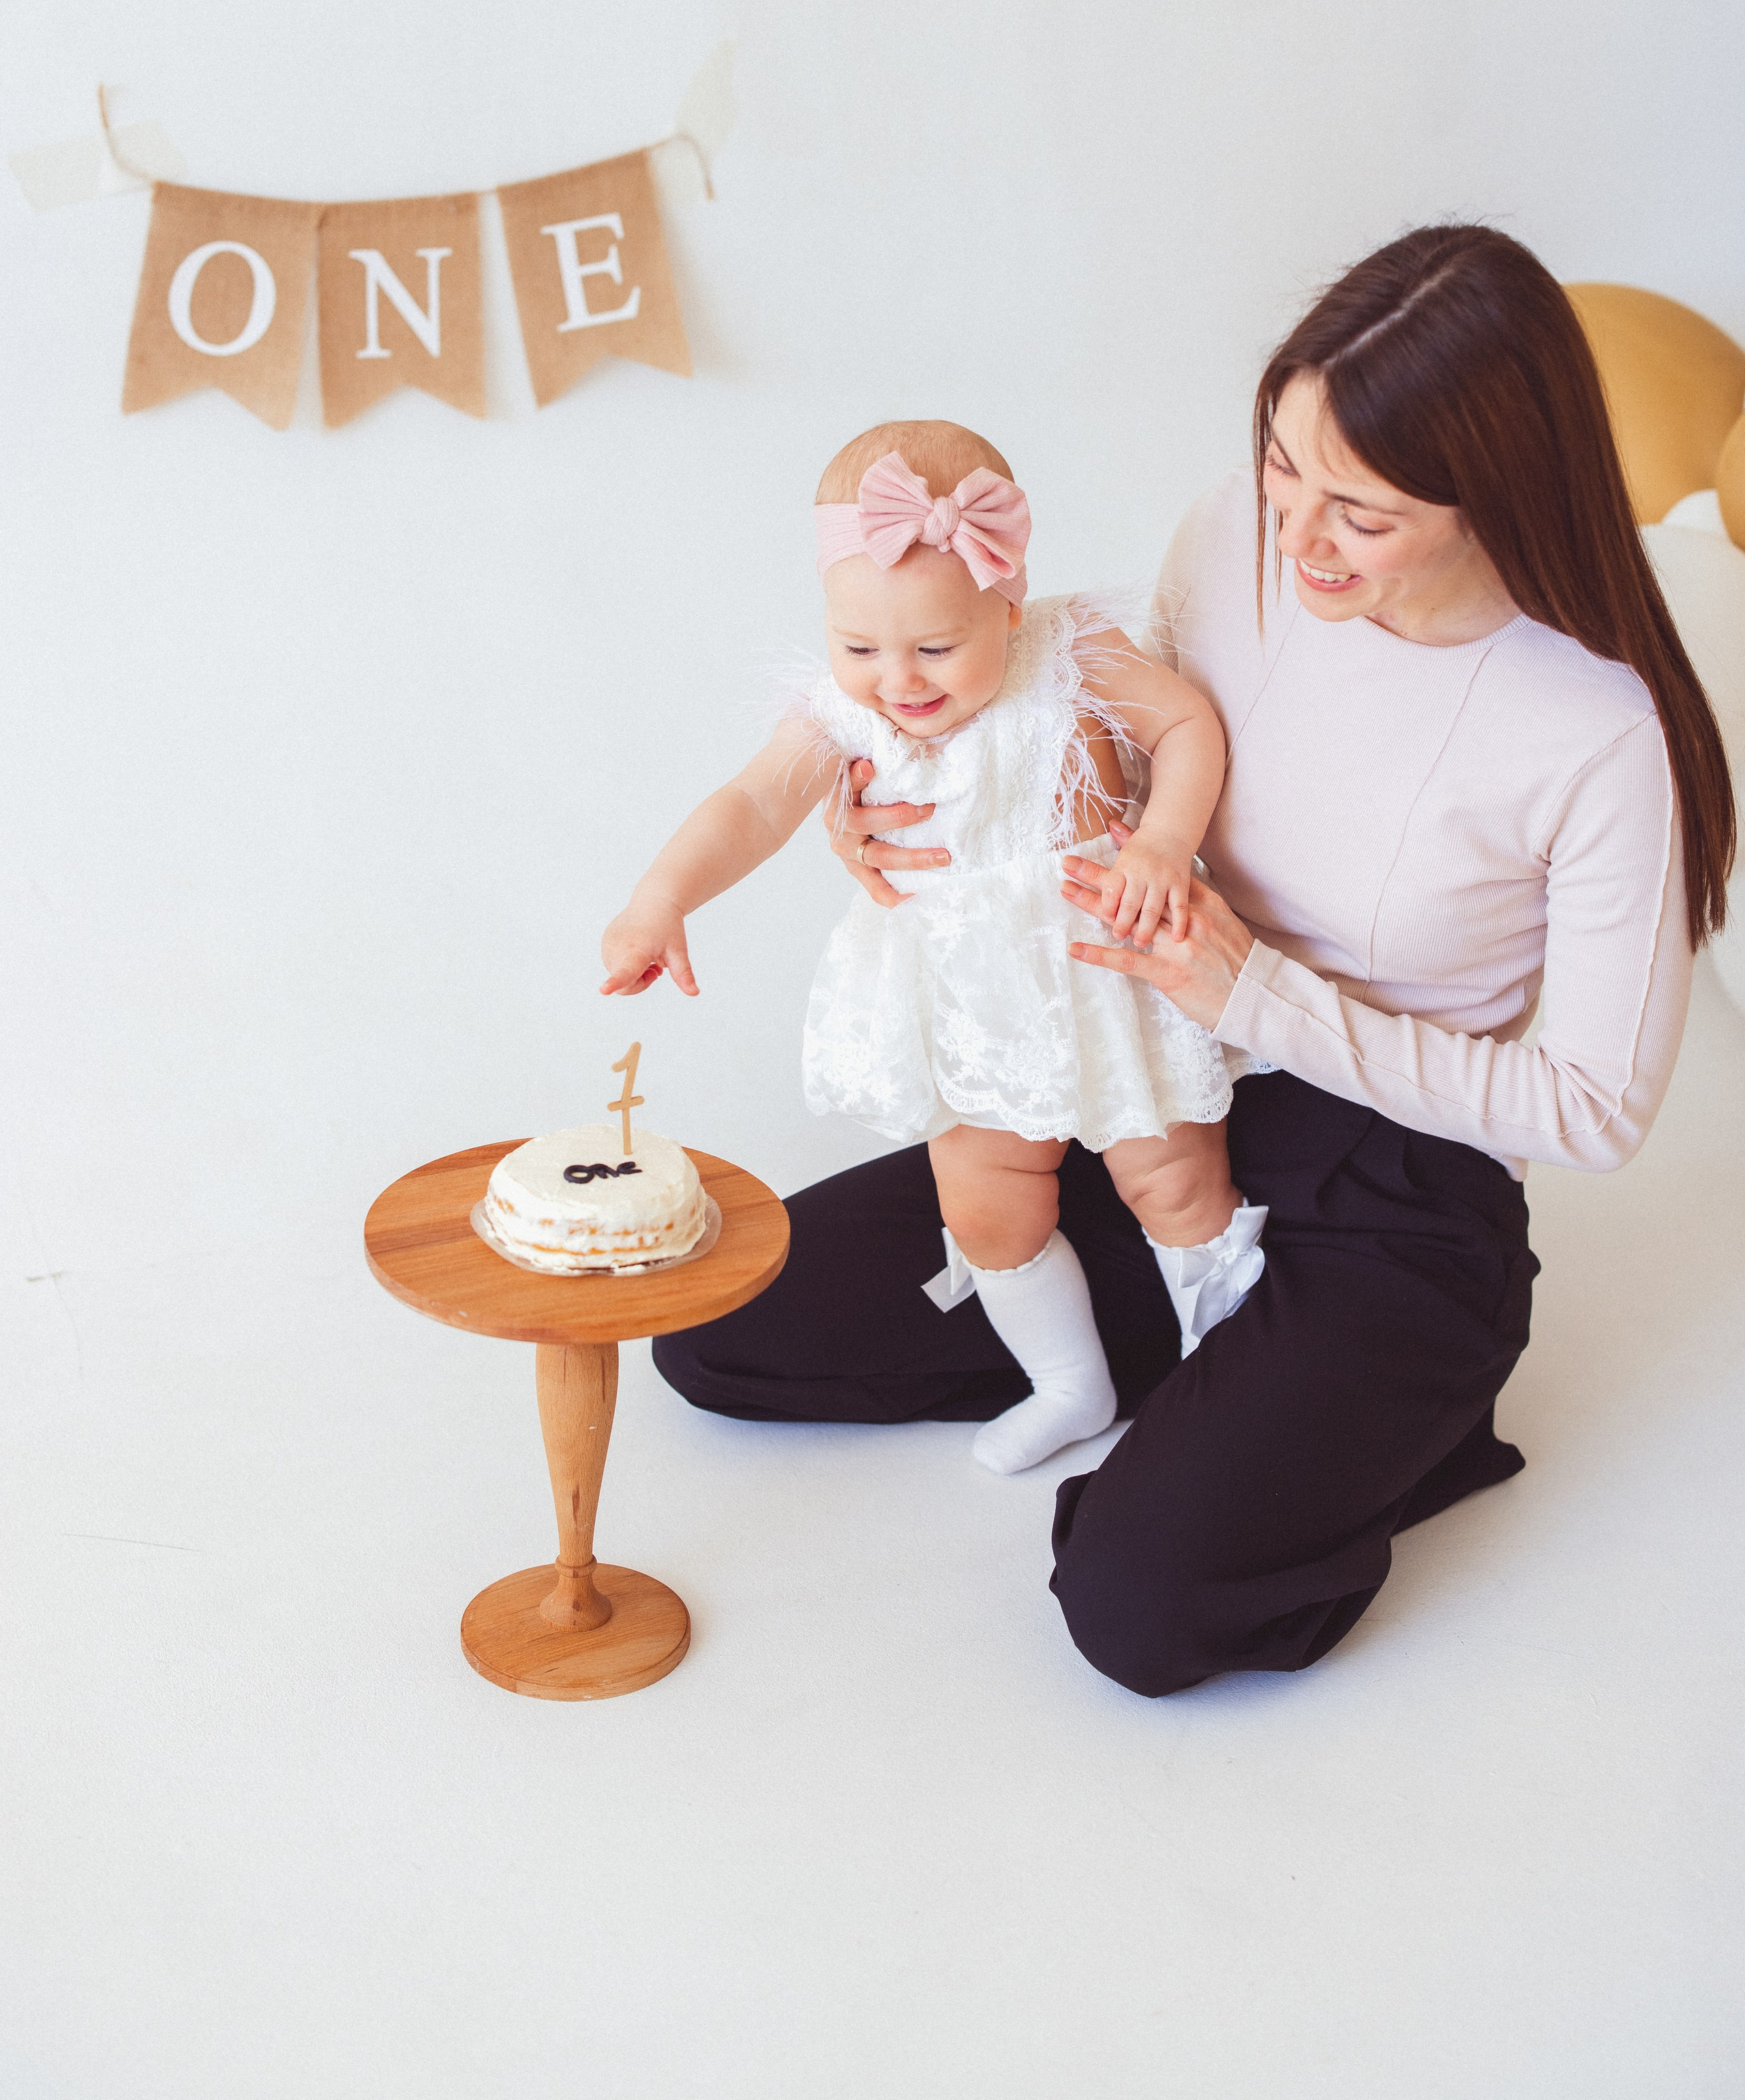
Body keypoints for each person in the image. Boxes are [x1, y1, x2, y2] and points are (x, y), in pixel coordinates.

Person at [652, 226, 1737, 1696]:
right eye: (1283, 469)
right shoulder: (1227, 533)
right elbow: (1096, 737)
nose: (1293, 537)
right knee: (721, 1327)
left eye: (1358, 510)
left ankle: (1341, 1399)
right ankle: (1212, 1367)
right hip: (1146, 1076)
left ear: (1498, 491)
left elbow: (1592, 1110)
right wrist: (894, 791)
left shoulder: (1597, 730)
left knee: (1136, 1604)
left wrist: (1257, 991)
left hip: (1397, 1176)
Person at [599, 422, 1269, 1477]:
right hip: (974, 1014)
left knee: (1174, 1179)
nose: (898, 680)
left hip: (1112, 971)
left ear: (1009, 599)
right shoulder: (844, 713)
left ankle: (1221, 1372)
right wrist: (660, 898)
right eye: (859, 646)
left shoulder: (1073, 652)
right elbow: (749, 804)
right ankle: (1069, 1381)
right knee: (989, 1206)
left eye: (936, 647)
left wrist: (1163, 841)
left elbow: (1187, 727)